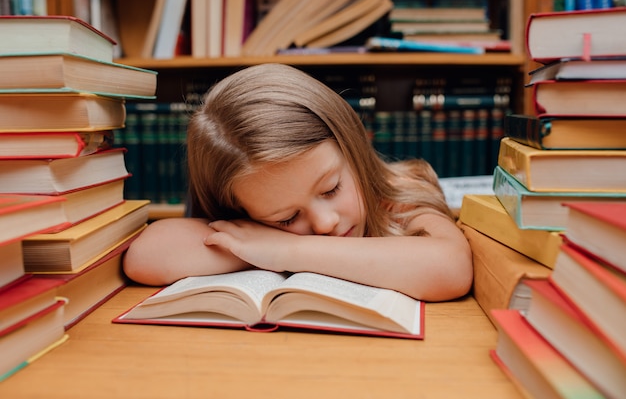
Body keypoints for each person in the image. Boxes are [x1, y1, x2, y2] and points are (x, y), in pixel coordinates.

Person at [124, 63, 472, 302]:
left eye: (331, 188)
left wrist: (284, 249)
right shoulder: (247, 225)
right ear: (240, 211)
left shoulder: (402, 196)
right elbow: (146, 256)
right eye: (286, 218)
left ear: (352, 146)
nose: (325, 223)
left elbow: (451, 268)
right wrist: (260, 242)